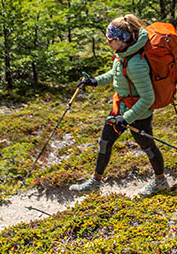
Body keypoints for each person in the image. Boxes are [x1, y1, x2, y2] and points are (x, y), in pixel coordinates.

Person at [69, 14, 169, 197]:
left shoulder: (136, 64)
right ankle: (95, 182)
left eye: (110, 39)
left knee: (147, 146)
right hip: (120, 107)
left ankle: (160, 181)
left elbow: (148, 98)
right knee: (105, 142)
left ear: (122, 40)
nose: (108, 43)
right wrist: (94, 82)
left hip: (139, 114)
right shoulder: (122, 55)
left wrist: (127, 118)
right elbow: (116, 73)